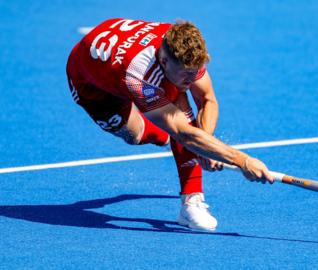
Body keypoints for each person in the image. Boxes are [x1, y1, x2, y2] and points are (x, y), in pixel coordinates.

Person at [66, 18, 273, 231]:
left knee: (181, 107)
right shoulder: (140, 77)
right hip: (91, 84)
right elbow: (186, 134)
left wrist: (205, 146)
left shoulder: (186, 50)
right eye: (187, 74)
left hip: (132, 55)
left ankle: (190, 203)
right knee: (134, 135)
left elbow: (207, 99)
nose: (193, 79)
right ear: (164, 61)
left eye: (196, 72)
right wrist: (242, 160)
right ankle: (166, 135)